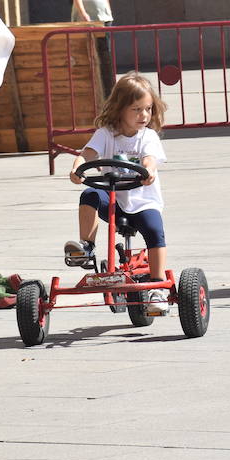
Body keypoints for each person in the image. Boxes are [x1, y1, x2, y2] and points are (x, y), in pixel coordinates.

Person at [65, 73, 171, 314]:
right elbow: (89, 153)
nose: (144, 115)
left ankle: (157, 286)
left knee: (155, 231)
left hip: (142, 201)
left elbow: (149, 158)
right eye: (136, 109)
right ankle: (86, 248)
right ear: (119, 109)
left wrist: (149, 171)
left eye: (148, 109)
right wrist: (77, 167)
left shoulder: (148, 136)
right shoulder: (106, 133)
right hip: (113, 199)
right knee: (90, 194)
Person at [70, 0, 115, 90]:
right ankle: (90, 84)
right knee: (88, 50)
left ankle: (108, 84)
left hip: (104, 17)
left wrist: (108, 10)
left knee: (105, 50)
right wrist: (84, 15)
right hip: (89, 20)